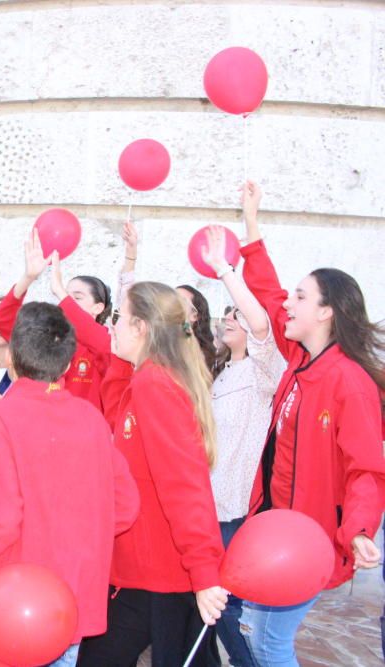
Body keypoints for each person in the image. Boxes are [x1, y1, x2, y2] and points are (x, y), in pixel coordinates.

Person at [236, 181, 385, 666]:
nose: (288, 305)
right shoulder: (301, 358)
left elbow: (367, 467)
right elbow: (268, 291)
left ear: (325, 312)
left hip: (310, 540)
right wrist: (252, 227)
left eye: (301, 298)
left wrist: (361, 529)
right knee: (257, 633)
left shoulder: (349, 382)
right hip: (276, 528)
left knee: (268, 641)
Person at [0, 302, 139, 667]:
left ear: (13, 357)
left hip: (9, 602)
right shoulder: (91, 419)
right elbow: (126, 506)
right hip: (70, 600)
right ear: (68, 363)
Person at [77, 282, 227, 667]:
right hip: (141, 568)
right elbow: (115, 418)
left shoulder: (156, 384)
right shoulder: (142, 378)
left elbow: (184, 484)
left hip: (160, 573)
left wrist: (204, 569)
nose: (112, 326)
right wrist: (120, 363)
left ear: (141, 327)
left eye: (119, 318)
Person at [196, 223, 286, 667]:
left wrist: (227, 270)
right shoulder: (221, 373)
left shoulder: (265, 372)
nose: (229, 318)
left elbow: (262, 324)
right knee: (208, 601)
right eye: (225, 313)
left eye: (236, 314)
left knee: (225, 603)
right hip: (205, 503)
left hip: (232, 507)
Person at [0, 230, 113, 412]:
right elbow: (2, 319)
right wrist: (28, 277)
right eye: (66, 295)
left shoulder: (106, 343)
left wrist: (60, 290)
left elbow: (103, 343)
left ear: (98, 308)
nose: (67, 302)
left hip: (84, 434)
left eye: (77, 297)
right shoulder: (52, 336)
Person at [176, 284, 220, 377]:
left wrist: (185, 322)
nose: (173, 304)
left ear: (195, 315)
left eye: (180, 301)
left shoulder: (200, 353)